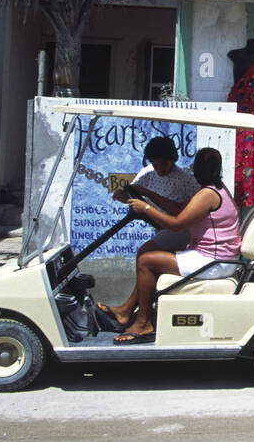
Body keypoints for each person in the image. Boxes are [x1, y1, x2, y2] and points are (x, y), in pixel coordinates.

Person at [101, 147, 242, 345]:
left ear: (197, 170)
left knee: (146, 261)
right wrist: (145, 193)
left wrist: (146, 208)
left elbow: (175, 225)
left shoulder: (207, 195)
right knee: (153, 257)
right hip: (217, 257)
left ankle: (143, 324)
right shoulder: (218, 189)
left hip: (213, 261)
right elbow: (178, 209)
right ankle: (125, 312)